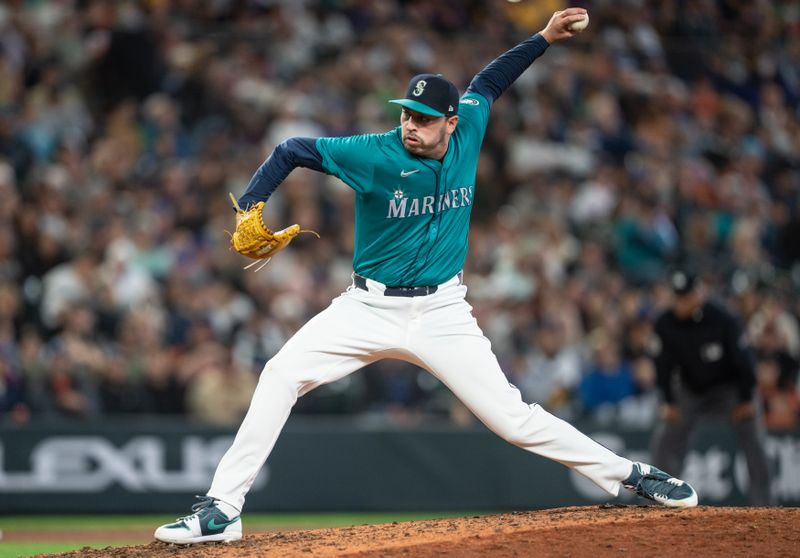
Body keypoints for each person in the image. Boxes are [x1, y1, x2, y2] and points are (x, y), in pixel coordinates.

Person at [154, 9, 698, 545]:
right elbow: (292, 149)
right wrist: (250, 203)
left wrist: (544, 37)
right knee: (279, 375)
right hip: (366, 307)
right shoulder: (375, 153)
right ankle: (223, 510)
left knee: (513, 418)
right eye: (406, 115)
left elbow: (490, 81)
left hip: (442, 311)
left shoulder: (470, 126)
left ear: (451, 122)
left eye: (424, 118)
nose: (411, 125)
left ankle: (631, 475)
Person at [649, 269, 773, 506]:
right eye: (677, 297)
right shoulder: (666, 323)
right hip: (691, 389)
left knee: (755, 441)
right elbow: (662, 366)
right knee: (666, 439)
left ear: (699, 294)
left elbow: (744, 362)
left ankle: (765, 507)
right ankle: (655, 503)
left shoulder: (723, 318)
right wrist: (668, 401)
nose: (681, 303)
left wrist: (746, 398)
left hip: (731, 389)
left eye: (686, 296)